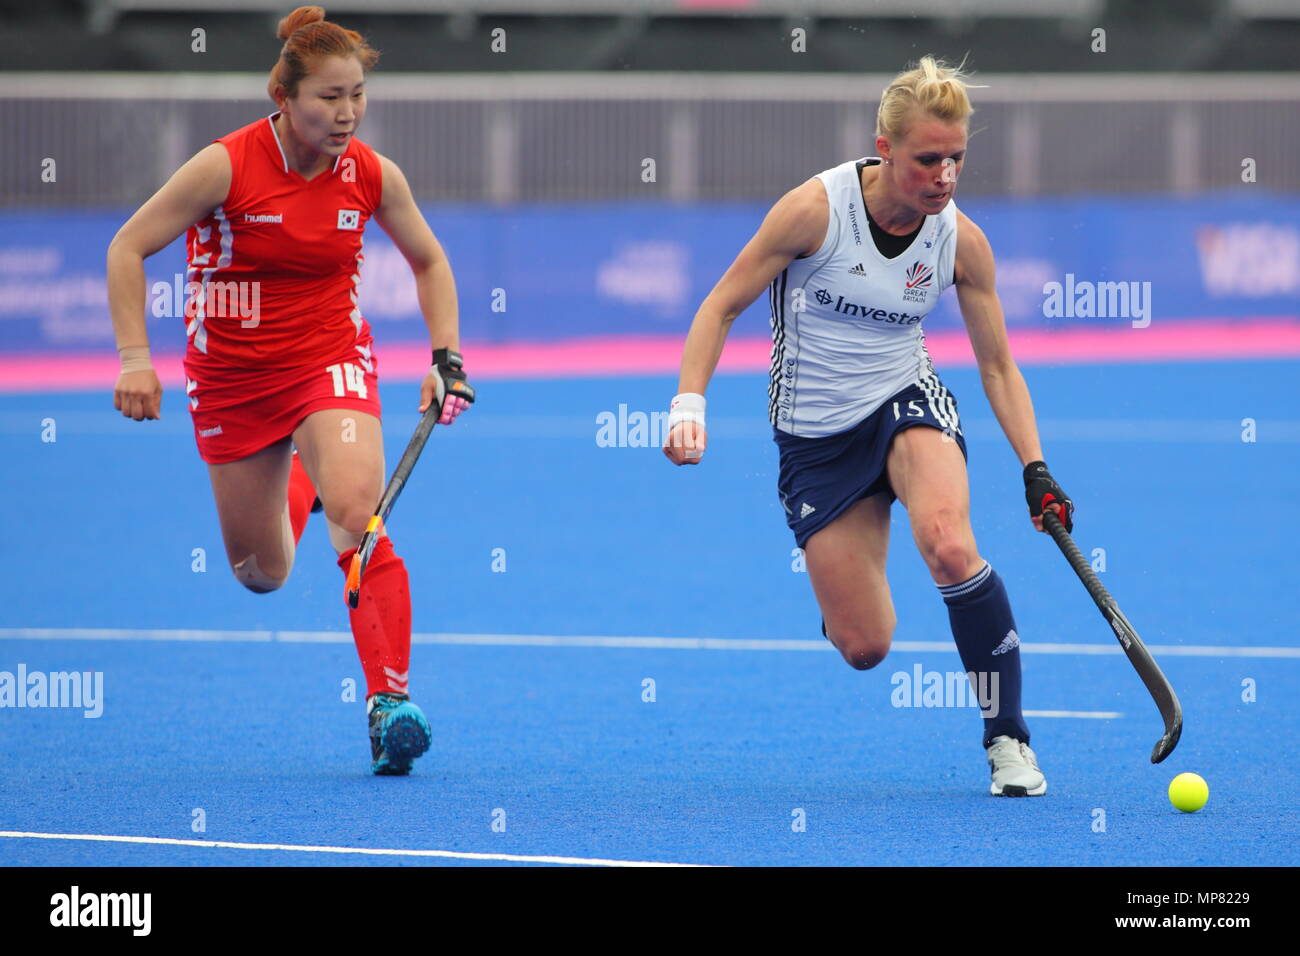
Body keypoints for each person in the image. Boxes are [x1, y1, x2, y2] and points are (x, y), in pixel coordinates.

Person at [662, 56, 1073, 796]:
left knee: (950, 546)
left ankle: (1007, 736)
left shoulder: (960, 242)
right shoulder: (814, 212)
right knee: (864, 646)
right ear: (884, 148)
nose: (945, 176)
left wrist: (1034, 468)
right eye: (927, 159)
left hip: (906, 401)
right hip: (815, 435)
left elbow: (998, 369)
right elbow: (721, 305)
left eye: (956, 159)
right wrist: (689, 402)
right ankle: (841, 599)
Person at [107, 5, 471, 775]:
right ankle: (298, 479)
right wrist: (134, 356)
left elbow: (430, 262)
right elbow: (127, 247)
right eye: (328, 98)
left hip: (328, 357)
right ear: (284, 95)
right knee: (261, 573)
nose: (346, 115)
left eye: (357, 96)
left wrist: (447, 356)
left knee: (356, 512)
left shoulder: (372, 175)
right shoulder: (225, 166)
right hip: (233, 379)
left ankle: (389, 703)